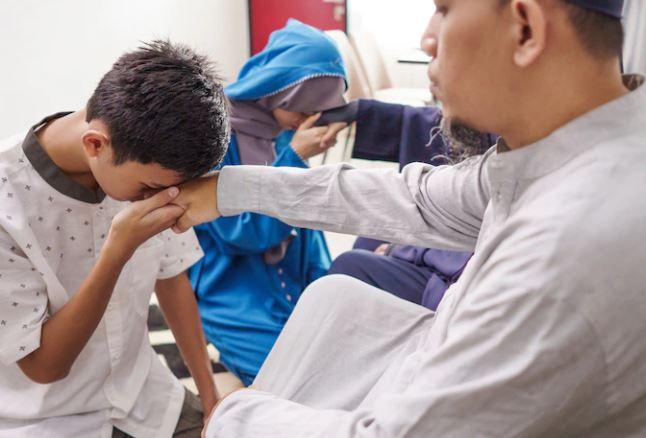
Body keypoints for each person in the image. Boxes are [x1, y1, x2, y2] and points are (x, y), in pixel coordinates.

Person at [172, 0, 646, 435]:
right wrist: (228, 188)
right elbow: (415, 197)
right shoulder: (559, 155)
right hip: (426, 367)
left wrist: (232, 414)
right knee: (335, 295)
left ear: (525, 29)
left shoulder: (564, 251)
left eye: (445, 10)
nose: (427, 39)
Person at [0, 41, 229, 437]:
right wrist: (117, 251)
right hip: (46, 419)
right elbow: (44, 367)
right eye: (150, 188)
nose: (160, 198)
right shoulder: (9, 204)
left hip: (147, 397)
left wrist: (210, 396)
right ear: (95, 145)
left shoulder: (148, 167)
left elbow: (172, 279)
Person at [188, 19, 348, 386]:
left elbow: (306, 228)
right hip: (235, 287)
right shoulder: (214, 136)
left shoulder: (282, 130)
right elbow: (239, 235)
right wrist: (294, 158)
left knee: (342, 357)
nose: (308, 122)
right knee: (292, 381)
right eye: (304, 110)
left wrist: (325, 287)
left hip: (293, 274)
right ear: (279, 92)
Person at [323, 99, 495, 309]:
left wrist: (402, 250)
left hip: (461, 283)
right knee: (372, 233)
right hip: (456, 254)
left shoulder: (506, 163)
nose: (433, 84)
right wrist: (360, 111)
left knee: (350, 267)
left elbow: (473, 240)